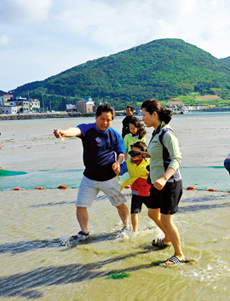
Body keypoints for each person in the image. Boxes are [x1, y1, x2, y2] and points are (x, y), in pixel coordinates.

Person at [53, 103, 130, 241]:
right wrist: (63, 132)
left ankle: (126, 227)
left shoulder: (114, 134)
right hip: (89, 177)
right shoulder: (87, 129)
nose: (105, 122)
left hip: (109, 177)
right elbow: (74, 130)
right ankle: (84, 232)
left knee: (119, 203)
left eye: (108, 120)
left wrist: (118, 164)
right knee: (81, 205)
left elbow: (122, 153)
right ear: (95, 117)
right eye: (102, 119)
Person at [141, 99, 185, 265]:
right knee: (152, 213)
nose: (142, 119)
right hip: (157, 182)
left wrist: (164, 178)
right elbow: (160, 154)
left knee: (167, 219)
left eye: (144, 115)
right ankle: (167, 236)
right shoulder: (156, 132)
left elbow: (176, 158)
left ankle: (179, 254)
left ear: (154, 114)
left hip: (170, 183)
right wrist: (144, 155)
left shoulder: (167, 133)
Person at [119, 141, 151, 234]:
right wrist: (116, 169)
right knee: (134, 212)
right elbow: (120, 172)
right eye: (131, 152)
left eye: (136, 153)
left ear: (143, 154)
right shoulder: (128, 162)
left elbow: (159, 171)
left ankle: (160, 226)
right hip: (136, 192)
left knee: (154, 211)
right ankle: (135, 231)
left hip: (149, 192)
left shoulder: (149, 161)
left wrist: (152, 174)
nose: (133, 155)